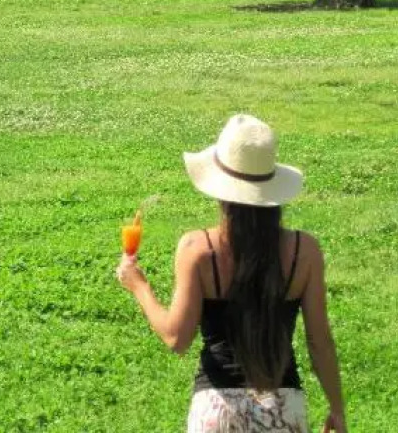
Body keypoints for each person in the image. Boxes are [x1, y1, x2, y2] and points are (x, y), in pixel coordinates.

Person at [116, 114, 346, 433]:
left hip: (216, 411)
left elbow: (176, 338)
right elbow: (319, 341)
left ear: (220, 187)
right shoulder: (304, 251)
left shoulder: (198, 249)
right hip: (283, 410)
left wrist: (138, 285)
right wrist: (336, 408)